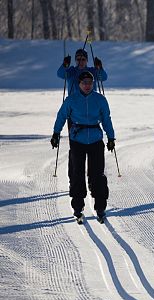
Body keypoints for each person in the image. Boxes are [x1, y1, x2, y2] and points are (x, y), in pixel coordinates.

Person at [51, 71, 115, 223]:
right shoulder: (71, 100)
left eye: (90, 82)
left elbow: (106, 119)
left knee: (97, 174)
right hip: (77, 140)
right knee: (77, 174)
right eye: (84, 82)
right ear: (78, 84)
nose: (87, 85)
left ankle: (100, 207)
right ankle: (78, 207)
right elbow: (61, 116)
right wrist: (56, 133)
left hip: (95, 140)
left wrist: (111, 137)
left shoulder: (100, 99)